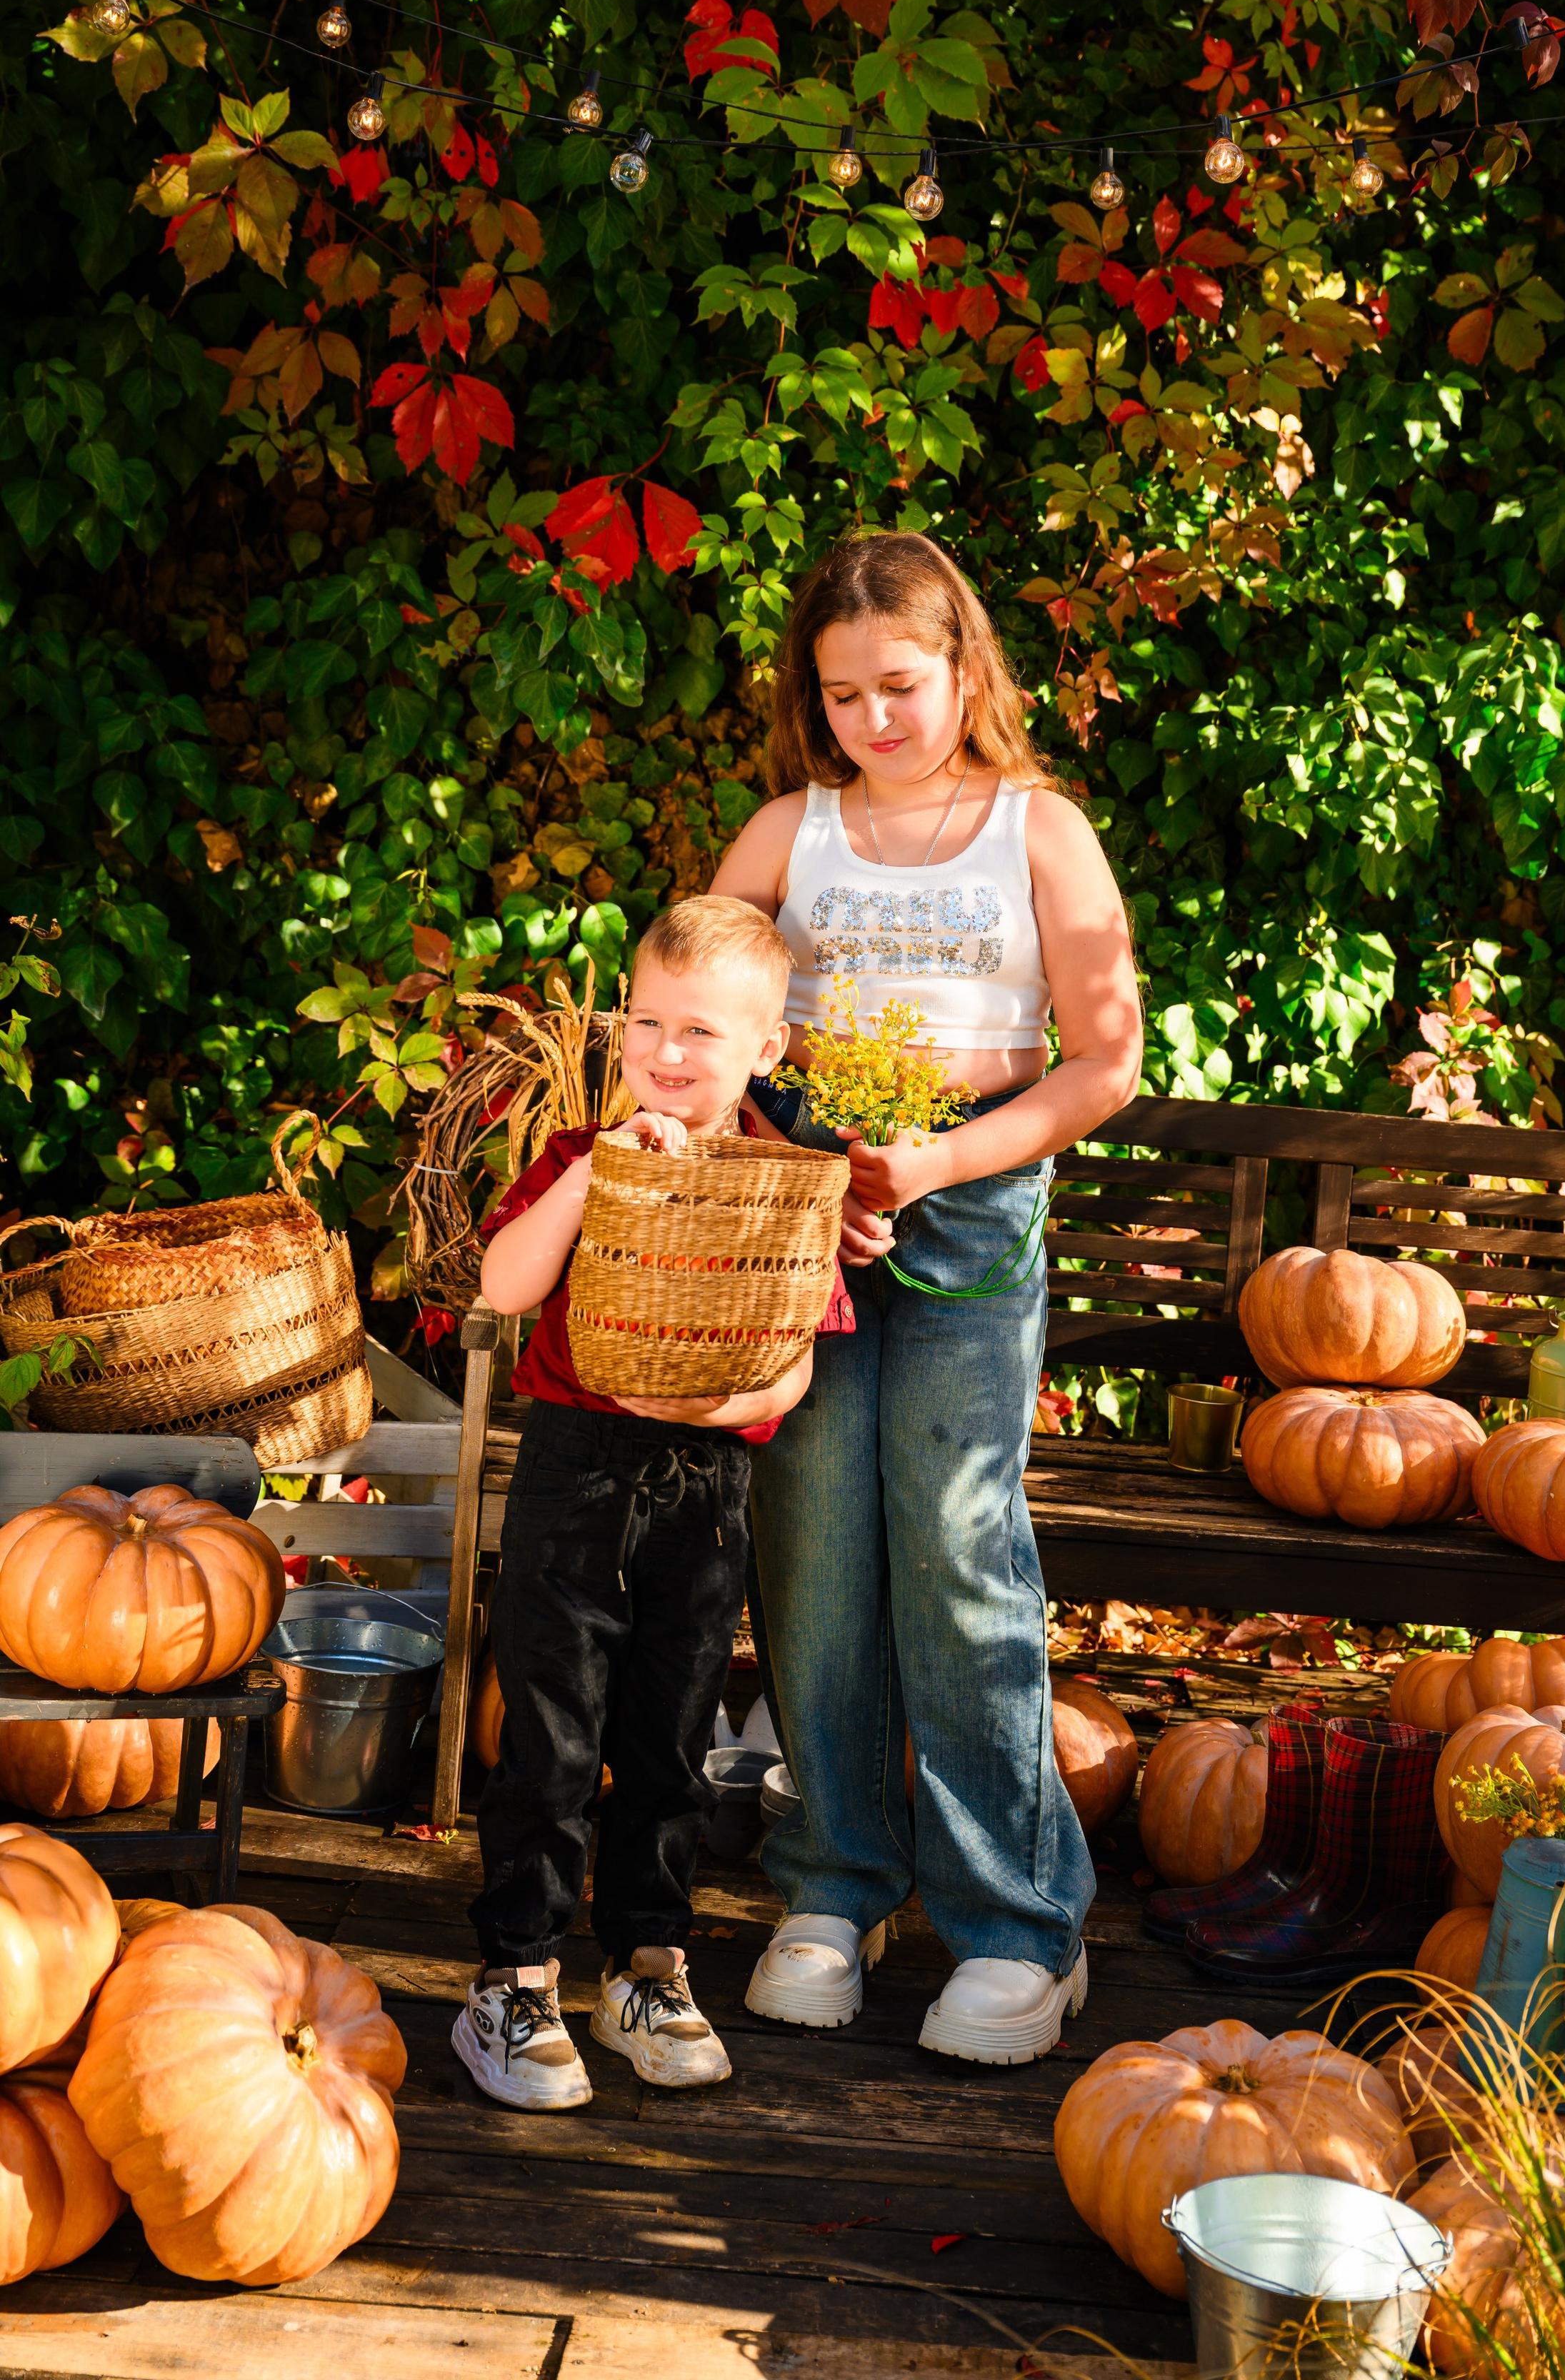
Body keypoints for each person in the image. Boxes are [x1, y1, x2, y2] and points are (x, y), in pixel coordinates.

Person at [710, 530, 1143, 2065]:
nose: (873, 722)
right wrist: (803, 1160)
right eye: (840, 698)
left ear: (963, 667)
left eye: (899, 686)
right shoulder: (787, 835)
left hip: (967, 1221)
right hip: (803, 1219)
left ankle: (1018, 1927)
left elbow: (1104, 1059)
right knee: (814, 1551)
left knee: (958, 1555)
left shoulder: (1038, 833)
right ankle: (832, 1886)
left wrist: (938, 1152)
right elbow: (708, 1020)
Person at [453, 895, 850, 2110]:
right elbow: (505, 1283)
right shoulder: (583, 1160)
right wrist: (605, 1169)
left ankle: (649, 1964)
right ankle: (516, 1979)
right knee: (553, 1735)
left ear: (766, 1050)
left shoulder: (786, 1190)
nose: (668, 1057)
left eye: (701, 1034)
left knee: (673, 1735)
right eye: (646, 1025)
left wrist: (724, 1412)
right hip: (578, 1469)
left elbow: (795, 1357)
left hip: (704, 1481)